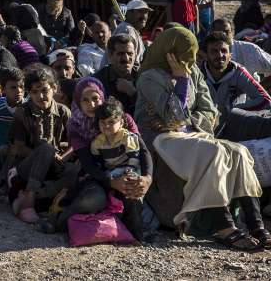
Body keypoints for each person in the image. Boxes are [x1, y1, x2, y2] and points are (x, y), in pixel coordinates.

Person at [134, 27, 268, 250]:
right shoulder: (150, 77)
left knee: (238, 152)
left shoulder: (193, 72)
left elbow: (211, 112)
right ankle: (224, 226)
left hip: (191, 133)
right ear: (171, 51)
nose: (192, 56)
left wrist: (187, 120)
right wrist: (180, 81)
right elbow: (172, 117)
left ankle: (256, 225)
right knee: (214, 152)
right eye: (186, 50)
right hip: (160, 138)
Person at [9, 66, 74, 224]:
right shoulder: (22, 112)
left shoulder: (63, 112)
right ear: (28, 93)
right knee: (46, 148)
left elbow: (74, 143)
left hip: (55, 164)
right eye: (34, 92)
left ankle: (36, 195)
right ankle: (29, 200)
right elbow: (19, 147)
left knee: (76, 173)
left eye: (45, 90)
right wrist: (44, 156)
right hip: (27, 166)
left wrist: (62, 157)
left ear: (54, 88)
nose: (40, 96)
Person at [90, 99, 151, 240]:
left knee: (132, 191)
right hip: (111, 172)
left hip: (129, 168)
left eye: (111, 122)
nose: (106, 126)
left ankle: (138, 231)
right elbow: (98, 162)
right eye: (102, 123)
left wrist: (128, 172)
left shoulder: (126, 137)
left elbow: (134, 157)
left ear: (121, 122)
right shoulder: (97, 142)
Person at [201, 32, 271, 141]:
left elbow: (265, 99)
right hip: (204, 128)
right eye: (214, 51)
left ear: (230, 54)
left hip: (234, 126)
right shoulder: (197, 73)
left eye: (224, 51)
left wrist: (232, 110)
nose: (220, 55)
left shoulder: (238, 72)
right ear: (205, 55)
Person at [94, 34, 140, 116]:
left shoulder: (143, 76)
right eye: (120, 54)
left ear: (135, 54)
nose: (126, 58)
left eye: (130, 54)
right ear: (110, 55)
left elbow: (152, 108)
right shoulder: (98, 81)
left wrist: (132, 92)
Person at [114, 0, 152, 65]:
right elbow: (126, 62)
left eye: (146, 12)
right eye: (140, 11)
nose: (144, 16)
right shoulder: (127, 29)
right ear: (129, 13)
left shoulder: (131, 29)